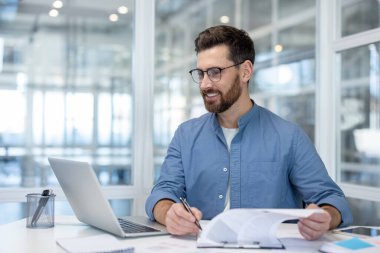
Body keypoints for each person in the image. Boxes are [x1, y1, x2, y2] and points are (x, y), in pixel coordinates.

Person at [145, 25, 352, 240]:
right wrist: (169, 213)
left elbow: (331, 199)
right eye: (200, 73)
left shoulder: (288, 136)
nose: (205, 84)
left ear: (245, 71)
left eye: (215, 72)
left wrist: (324, 216)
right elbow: (162, 193)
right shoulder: (185, 135)